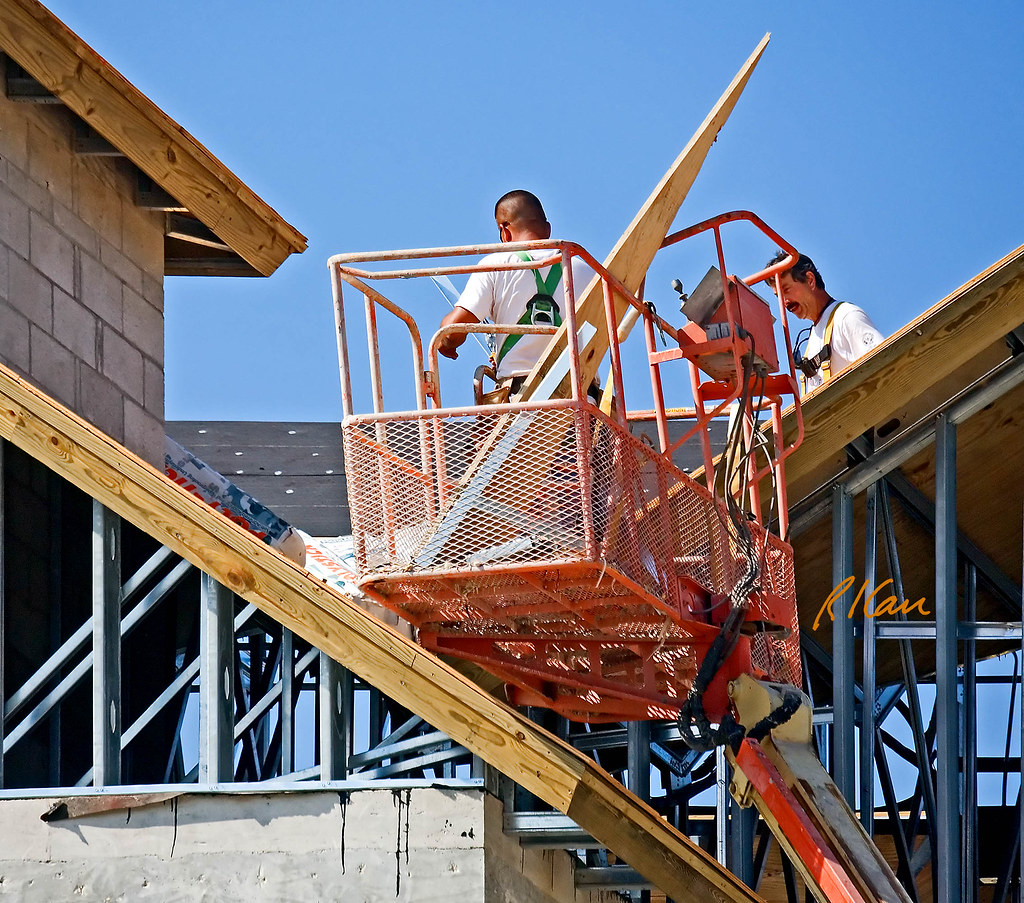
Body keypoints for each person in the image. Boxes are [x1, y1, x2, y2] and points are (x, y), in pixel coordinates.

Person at [438, 190, 593, 399]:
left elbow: (452, 330)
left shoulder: (496, 266)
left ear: (504, 231)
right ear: (547, 229)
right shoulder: (588, 270)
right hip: (583, 400)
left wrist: (446, 344)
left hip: (522, 402)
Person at [766, 250, 883, 393]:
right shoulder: (813, 339)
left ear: (810, 280)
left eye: (786, 290)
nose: (784, 302)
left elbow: (884, 365)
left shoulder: (846, 316)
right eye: (778, 296)